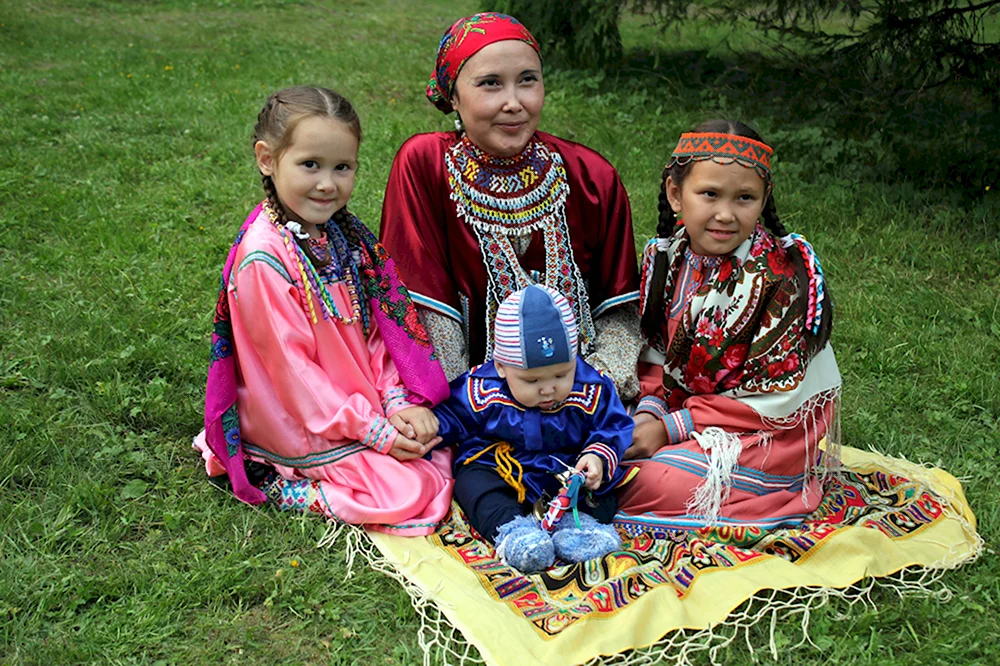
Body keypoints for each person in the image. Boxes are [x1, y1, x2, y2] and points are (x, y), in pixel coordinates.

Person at [196, 86, 453, 536]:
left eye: (342, 167)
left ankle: (370, 442)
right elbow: (295, 376)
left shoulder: (342, 235)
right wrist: (377, 433)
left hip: (352, 402)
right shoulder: (264, 260)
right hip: (298, 416)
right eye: (310, 164)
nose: (327, 184)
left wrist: (394, 403)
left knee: (441, 450)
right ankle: (279, 483)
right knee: (409, 492)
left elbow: (378, 330)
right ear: (267, 159)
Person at [379, 12, 643, 400]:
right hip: (471, 402)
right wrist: (468, 403)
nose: (514, 103)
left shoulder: (591, 176)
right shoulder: (425, 164)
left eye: (527, 81)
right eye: (490, 84)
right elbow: (424, 306)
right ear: (452, 95)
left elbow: (618, 314)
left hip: (580, 396)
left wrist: (589, 391)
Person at [617, 120, 841, 531]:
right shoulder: (667, 258)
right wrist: (648, 413)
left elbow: (774, 401)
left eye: (744, 198)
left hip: (761, 432)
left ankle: (771, 488)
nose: (725, 214)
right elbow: (655, 354)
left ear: (763, 199)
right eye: (709, 194)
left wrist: (669, 429)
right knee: (596, 432)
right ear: (675, 194)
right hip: (682, 409)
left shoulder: (780, 277)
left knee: (655, 480)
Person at [433, 285, 632, 573]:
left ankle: (577, 527)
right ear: (501, 367)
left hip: (565, 469)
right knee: (472, 482)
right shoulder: (483, 389)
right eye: (531, 381)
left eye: (562, 374)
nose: (549, 388)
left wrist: (598, 456)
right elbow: (453, 413)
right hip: (502, 466)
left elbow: (614, 425)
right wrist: (431, 424)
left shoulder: (592, 389)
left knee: (600, 491)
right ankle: (514, 532)